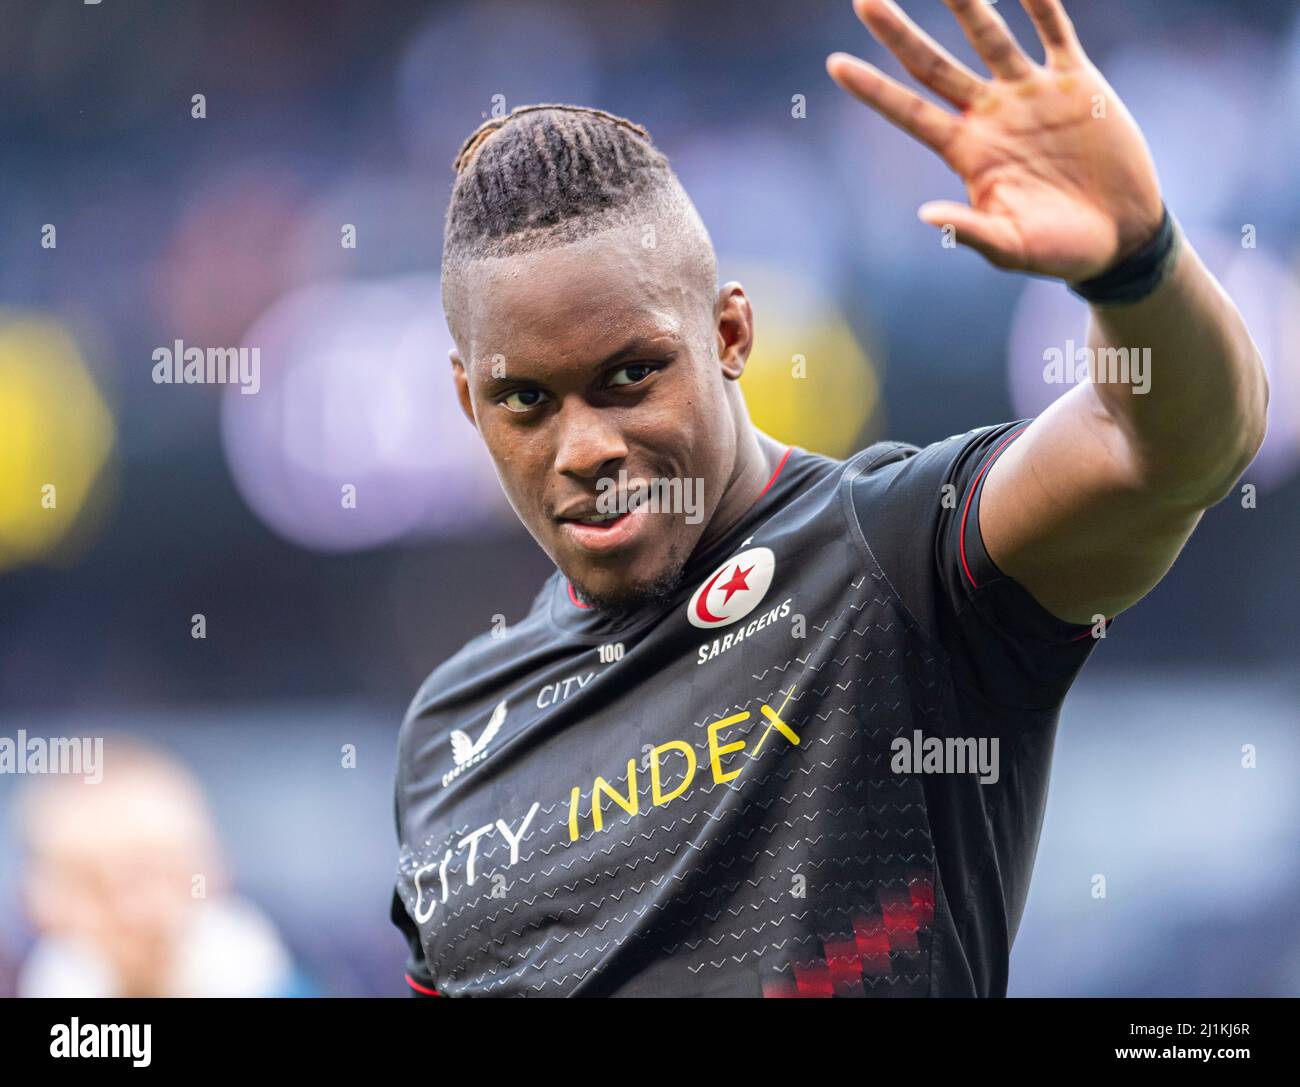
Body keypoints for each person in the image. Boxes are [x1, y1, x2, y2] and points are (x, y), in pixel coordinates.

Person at [391, 0, 1267, 997]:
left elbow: (1165, 446)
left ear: (729, 337)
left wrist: (1136, 265)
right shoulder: (447, 731)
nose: (585, 446)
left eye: (630, 375)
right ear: (469, 402)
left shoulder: (890, 559)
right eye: (525, 401)